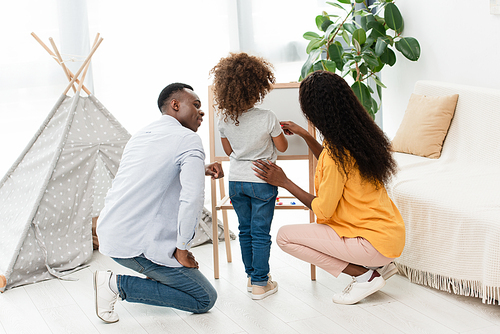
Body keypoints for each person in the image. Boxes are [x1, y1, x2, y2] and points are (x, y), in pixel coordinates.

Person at [253, 71, 405, 305]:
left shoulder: (337, 154)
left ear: (314, 111)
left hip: (371, 243)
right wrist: (305, 135)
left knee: (285, 237)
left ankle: (365, 275)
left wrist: (285, 182)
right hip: (389, 235)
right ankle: (381, 266)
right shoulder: (357, 137)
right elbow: (333, 162)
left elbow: (323, 210)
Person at [94, 83, 223, 323]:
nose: (201, 112)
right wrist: (182, 248)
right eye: (196, 105)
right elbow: (192, 198)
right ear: (175, 105)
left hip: (112, 231)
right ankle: (114, 285)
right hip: (136, 244)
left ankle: (151, 279)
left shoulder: (142, 134)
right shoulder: (188, 139)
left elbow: (151, 172)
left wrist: (200, 169)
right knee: (204, 298)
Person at [210, 53, 288, 299]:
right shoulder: (267, 117)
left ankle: (251, 277)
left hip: (236, 181)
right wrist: (278, 134)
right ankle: (260, 283)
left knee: (245, 230)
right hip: (262, 180)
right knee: (260, 232)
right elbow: (283, 147)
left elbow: (229, 151)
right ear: (258, 88)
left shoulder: (223, 118)